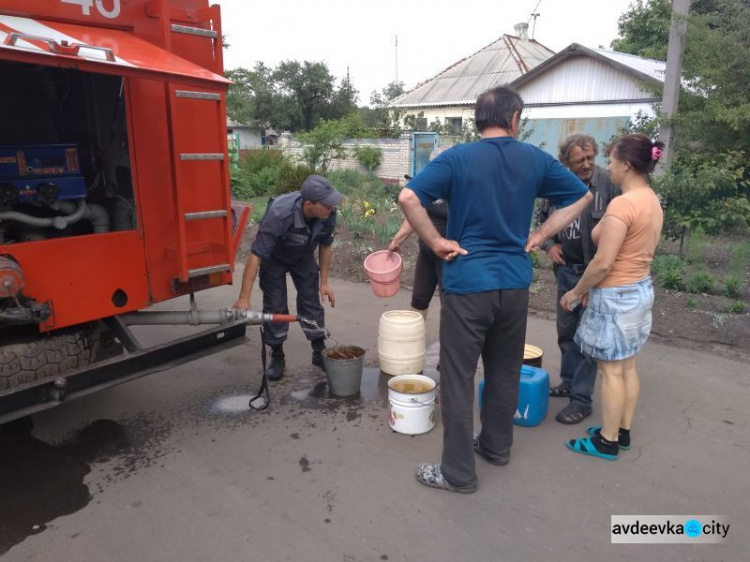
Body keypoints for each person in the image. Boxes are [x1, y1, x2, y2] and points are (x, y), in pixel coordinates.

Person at [398, 85, 592, 494]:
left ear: (477, 120)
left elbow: (409, 195)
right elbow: (582, 195)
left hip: (468, 284)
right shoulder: (534, 159)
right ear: (515, 118)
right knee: (505, 371)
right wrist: (540, 233)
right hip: (514, 284)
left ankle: (458, 474)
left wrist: (435, 242)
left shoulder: (457, 158)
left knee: (457, 377)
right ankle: (495, 447)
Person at [560, 133, 664, 461]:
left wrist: (577, 292)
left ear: (628, 164)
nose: (610, 168)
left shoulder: (623, 204)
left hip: (616, 295)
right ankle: (622, 431)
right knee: (627, 366)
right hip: (639, 290)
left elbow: (603, 262)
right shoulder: (651, 199)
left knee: (609, 371)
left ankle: (606, 441)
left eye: (613, 161)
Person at [535, 134, 620, 425]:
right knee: (567, 333)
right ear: (566, 163)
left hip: (596, 274)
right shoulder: (556, 186)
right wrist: (549, 245)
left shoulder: (609, 184)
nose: (585, 165)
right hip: (566, 272)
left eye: (589, 158)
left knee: (589, 339)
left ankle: (582, 400)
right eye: (578, 161)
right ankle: (569, 382)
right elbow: (540, 220)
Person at [232, 175, 343, 381]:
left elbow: (325, 245)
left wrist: (324, 282)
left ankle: (319, 352)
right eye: (327, 204)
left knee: (311, 301)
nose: (332, 207)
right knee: (275, 304)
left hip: (303, 256)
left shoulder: (328, 214)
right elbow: (256, 256)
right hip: (274, 257)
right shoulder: (279, 213)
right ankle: (278, 356)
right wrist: (244, 298)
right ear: (308, 204)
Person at [389, 147, 450, 321]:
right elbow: (415, 214)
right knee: (419, 300)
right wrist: (397, 240)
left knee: (451, 304)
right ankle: (412, 342)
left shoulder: (459, 189)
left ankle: (452, 346)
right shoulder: (431, 186)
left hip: (448, 257)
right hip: (427, 254)